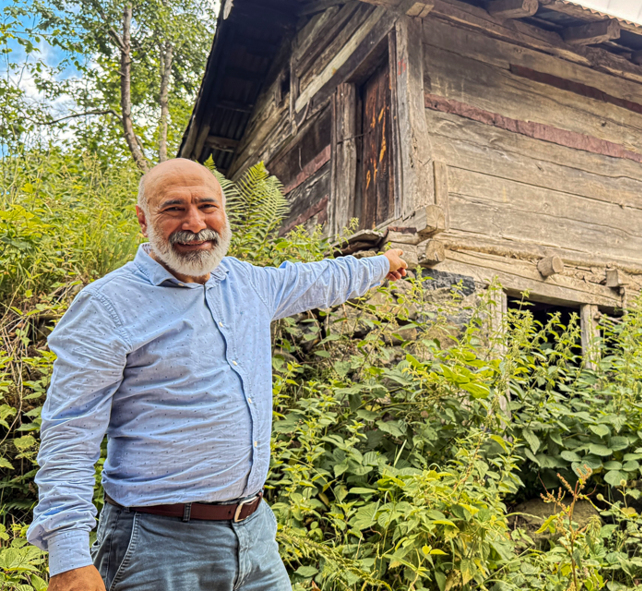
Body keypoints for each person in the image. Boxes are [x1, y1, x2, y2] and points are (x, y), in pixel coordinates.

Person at [28, 158, 408, 591]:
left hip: (256, 535)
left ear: (223, 211)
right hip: (155, 547)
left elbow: (319, 279)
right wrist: (68, 556)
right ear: (142, 219)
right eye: (173, 209)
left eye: (207, 206)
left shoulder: (246, 283)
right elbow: (69, 433)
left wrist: (380, 264)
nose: (195, 223)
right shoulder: (106, 306)